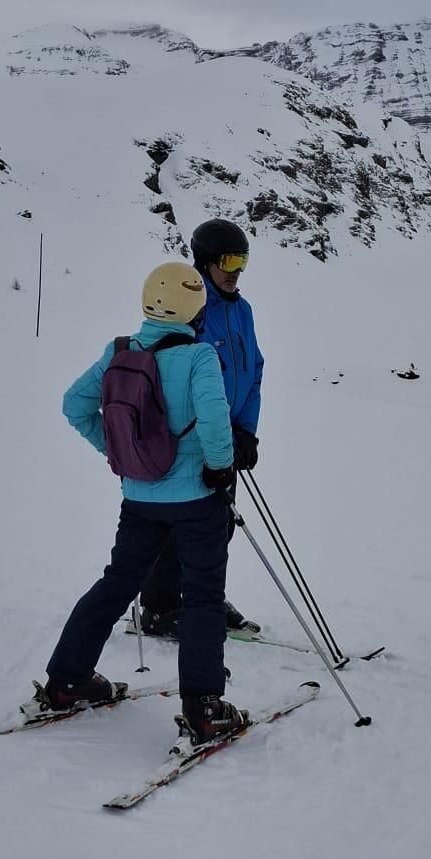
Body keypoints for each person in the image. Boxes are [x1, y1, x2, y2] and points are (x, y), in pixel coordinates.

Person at [23, 261, 247, 745]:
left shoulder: (119, 351)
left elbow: (73, 405)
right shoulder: (199, 356)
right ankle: (205, 707)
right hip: (196, 499)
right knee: (203, 595)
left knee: (118, 582)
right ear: (194, 307)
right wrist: (220, 467)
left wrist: (119, 452)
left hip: (139, 498)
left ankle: (67, 679)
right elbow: (213, 420)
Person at [139, 218, 264, 639]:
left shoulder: (242, 310)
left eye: (242, 261)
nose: (236, 270)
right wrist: (215, 432)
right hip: (193, 438)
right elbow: (182, 376)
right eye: (229, 260)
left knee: (220, 525)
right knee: (181, 528)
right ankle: (159, 607)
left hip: (226, 437)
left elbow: (253, 370)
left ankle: (203, 595)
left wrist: (245, 430)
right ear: (206, 262)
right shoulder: (190, 308)